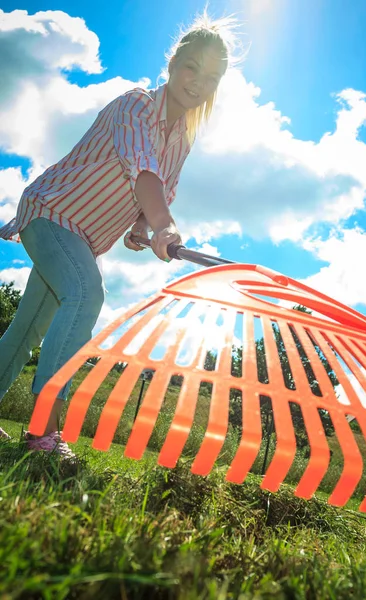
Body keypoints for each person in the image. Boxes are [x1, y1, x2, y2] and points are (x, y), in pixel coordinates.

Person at [0, 12, 236, 459]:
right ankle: (42, 433)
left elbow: (158, 190)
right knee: (87, 293)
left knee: (28, 328)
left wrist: (143, 227)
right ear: (172, 65)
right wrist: (165, 225)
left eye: (211, 77)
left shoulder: (181, 140)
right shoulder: (136, 106)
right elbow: (143, 171)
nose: (198, 82)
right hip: (50, 213)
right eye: (192, 68)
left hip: (82, 239)